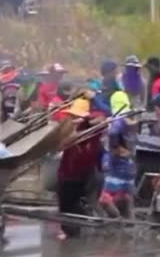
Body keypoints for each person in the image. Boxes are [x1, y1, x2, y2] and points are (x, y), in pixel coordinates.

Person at [56, 98, 103, 239]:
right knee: (67, 203)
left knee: (69, 204)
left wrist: (85, 123)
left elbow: (102, 121)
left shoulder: (90, 131)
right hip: (68, 173)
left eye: (75, 116)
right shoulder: (72, 129)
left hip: (76, 175)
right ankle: (73, 229)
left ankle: (75, 230)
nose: (72, 118)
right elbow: (60, 144)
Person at [99, 90, 138, 219]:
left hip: (117, 163)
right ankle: (130, 223)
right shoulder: (132, 118)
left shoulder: (117, 121)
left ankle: (116, 220)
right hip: (130, 163)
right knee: (126, 196)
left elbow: (113, 135)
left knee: (104, 199)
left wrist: (115, 149)